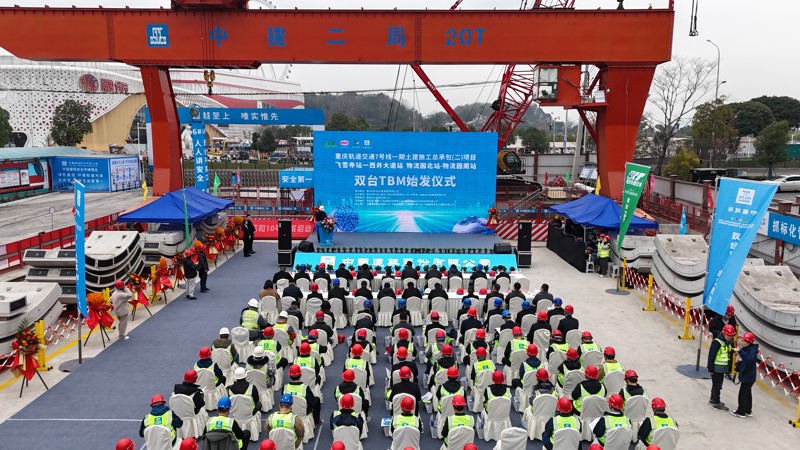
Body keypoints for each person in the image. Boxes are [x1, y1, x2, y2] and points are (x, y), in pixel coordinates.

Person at [707, 324, 736, 411]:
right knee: (717, 385)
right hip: (716, 368)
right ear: (723, 333)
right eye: (728, 335)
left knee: (716, 384)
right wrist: (710, 368)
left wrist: (733, 351)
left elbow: (727, 353)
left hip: (722, 368)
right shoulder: (717, 342)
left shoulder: (729, 342)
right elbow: (711, 356)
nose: (730, 337)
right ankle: (716, 402)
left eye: (731, 335)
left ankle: (713, 399)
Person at [732, 332, 759, 418]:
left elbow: (749, 359)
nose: (742, 342)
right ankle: (748, 410)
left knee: (743, 394)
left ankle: (741, 412)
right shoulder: (747, 349)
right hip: (748, 375)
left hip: (748, 376)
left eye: (743, 341)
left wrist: (740, 351)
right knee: (747, 393)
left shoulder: (751, 351)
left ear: (748, 342)